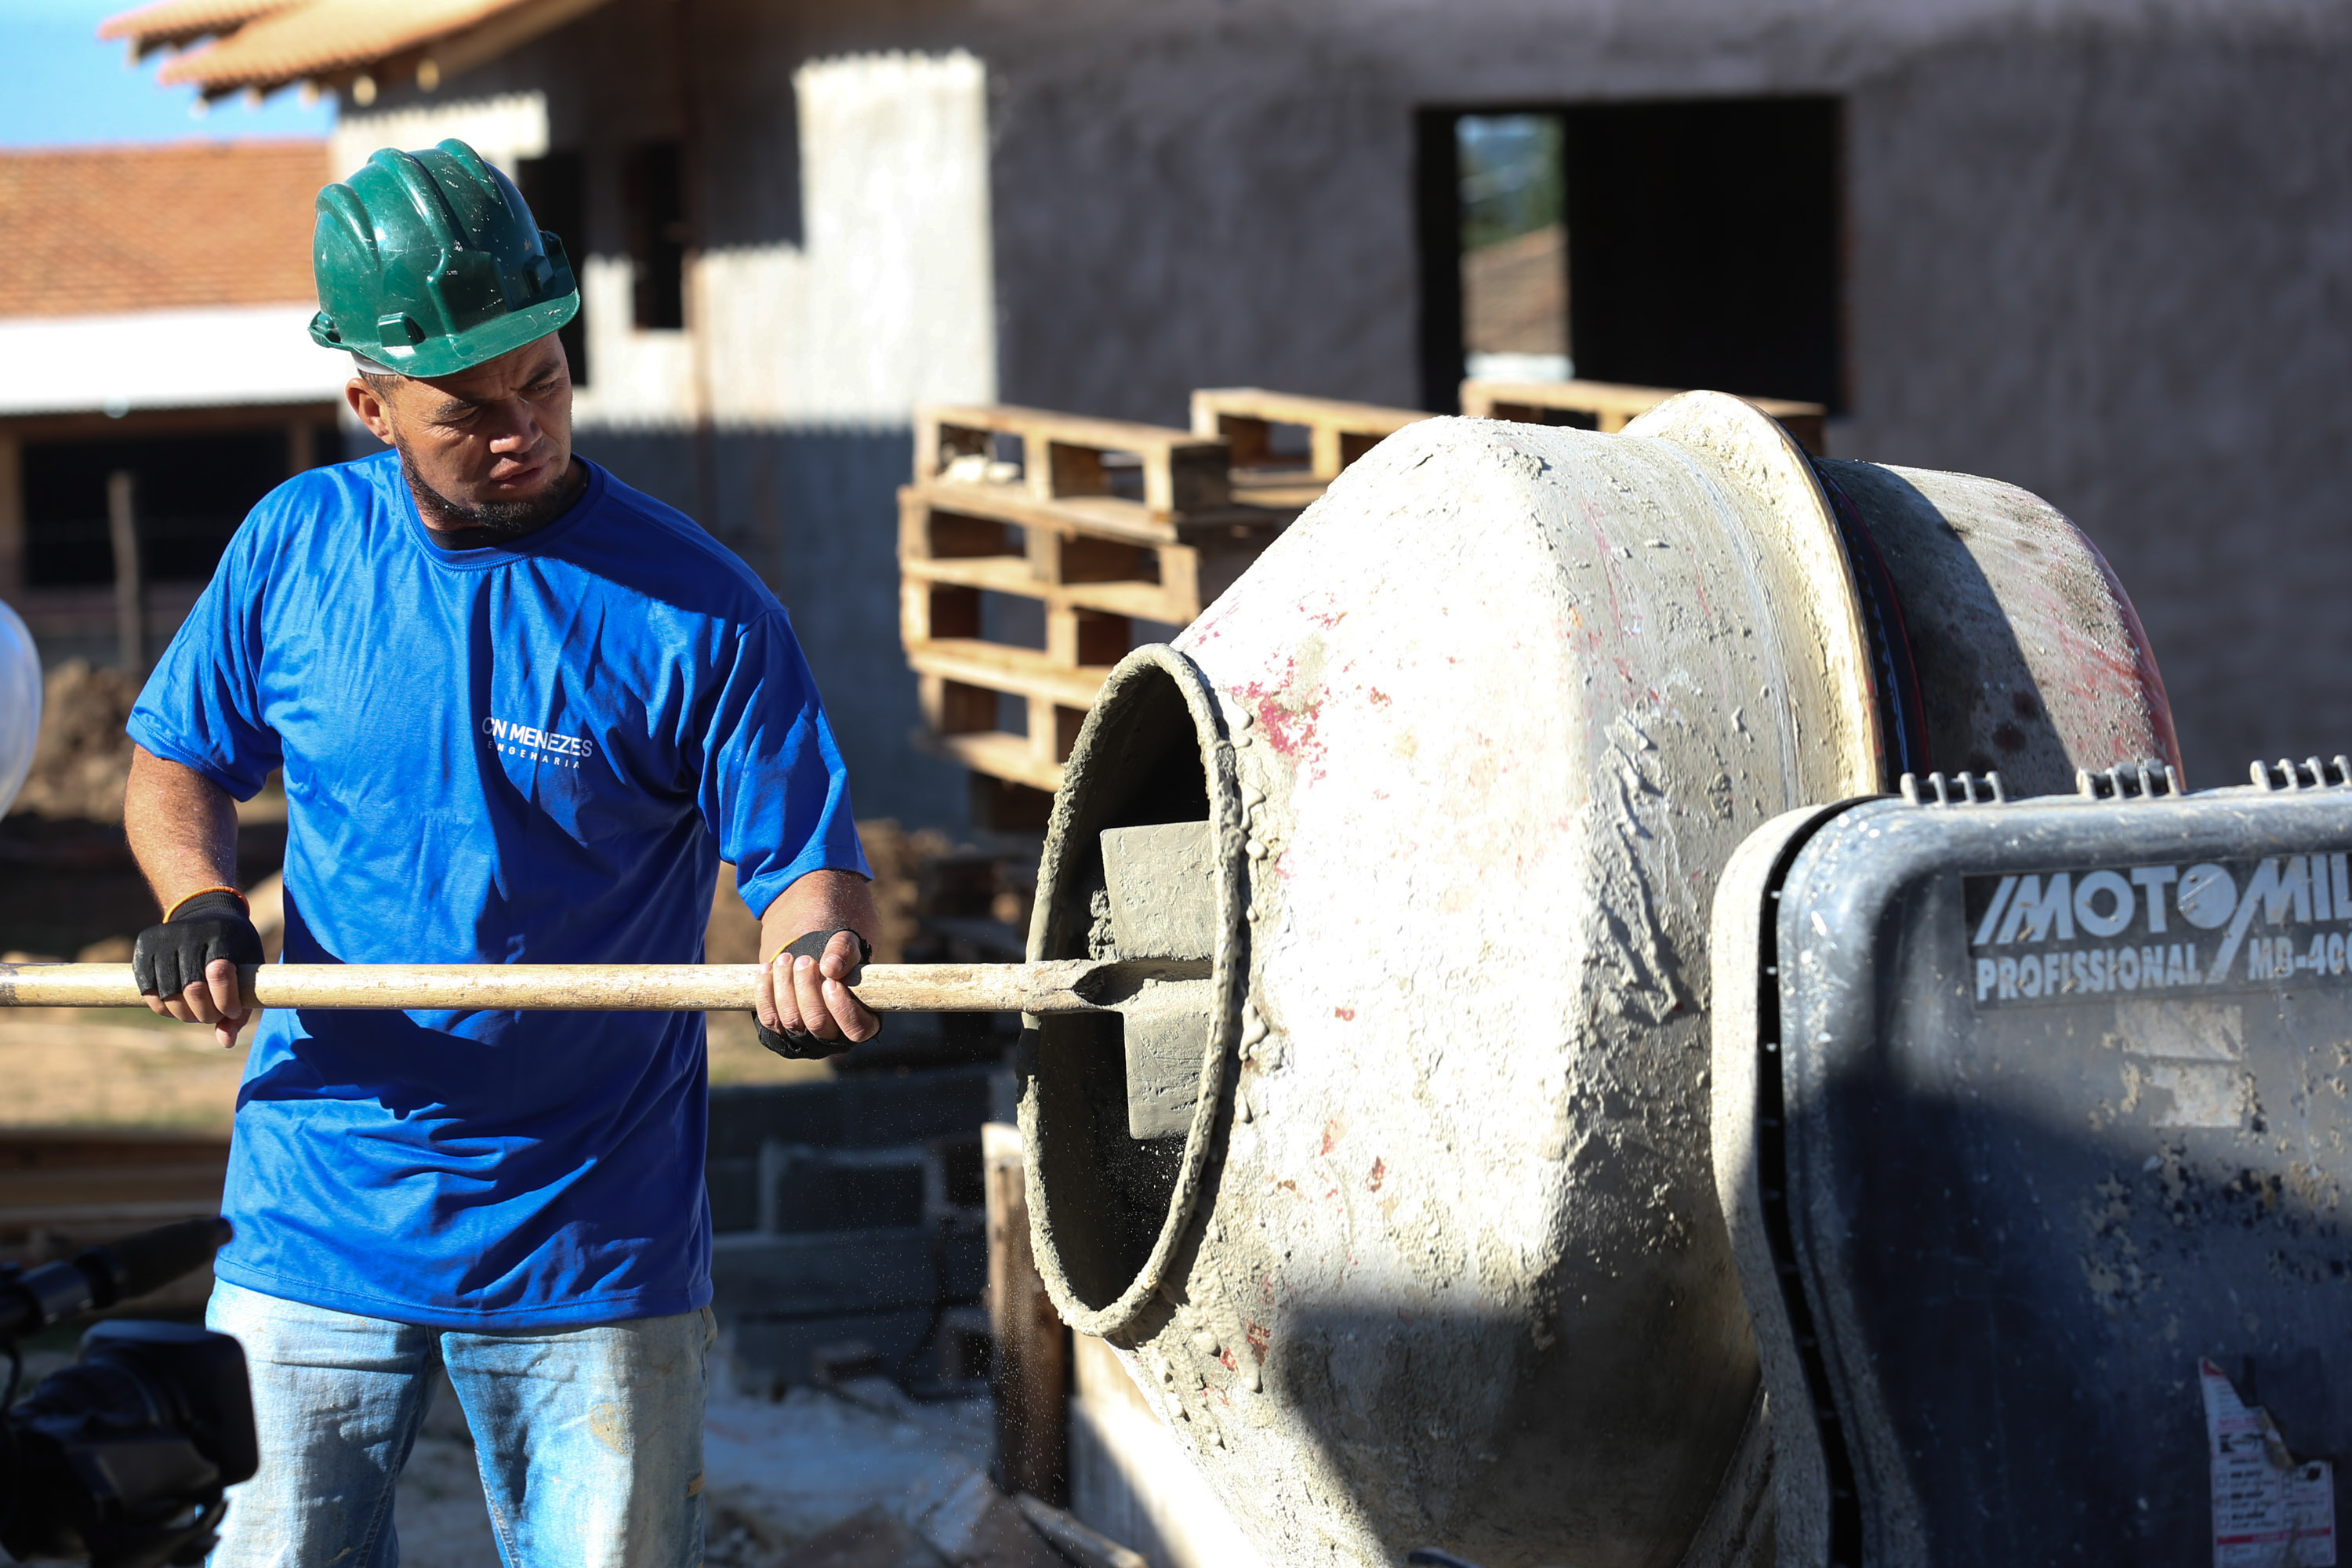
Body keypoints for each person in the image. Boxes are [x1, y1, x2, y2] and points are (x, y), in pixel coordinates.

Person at [120, 139, 878, 1568]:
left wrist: (808, 954)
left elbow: (806, 863)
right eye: (468, 406)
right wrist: (199, 895)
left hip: (594, 1239)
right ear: (367, 398)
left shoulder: (698, 608)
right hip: (320, 1209)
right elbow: (175, 767)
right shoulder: (295, 547)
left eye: (544, 379)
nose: (522, 425)